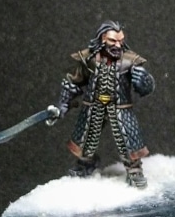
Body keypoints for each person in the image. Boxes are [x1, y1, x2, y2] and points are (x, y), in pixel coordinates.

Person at [56, 20, 155, 187]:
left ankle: (134, 169)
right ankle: (86, 163)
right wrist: (63, 103)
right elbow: (73, 81)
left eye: (120, 40)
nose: (118, 45)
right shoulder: (89, 59)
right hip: (93, 105)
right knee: (86, 139)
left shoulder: (130, 61)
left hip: (121, 108)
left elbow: (145, 89)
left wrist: (144, 81)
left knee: (128, 140)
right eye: (112, 40)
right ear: (102, 39)